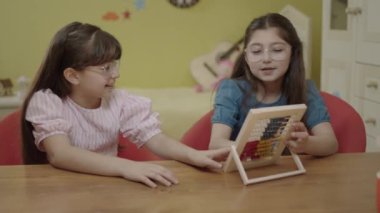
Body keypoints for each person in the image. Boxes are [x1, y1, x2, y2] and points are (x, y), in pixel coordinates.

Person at [21, 22, 229, 188]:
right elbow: (61, 154)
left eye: (115, 65)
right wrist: (126, 167)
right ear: (73, 75)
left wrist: (194, 155)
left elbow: (156, 139)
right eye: (105, 68)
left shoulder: (119, 101)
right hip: (63, 189)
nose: (116, 74)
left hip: (107, 187)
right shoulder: (48, 102)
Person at [209, 13, 338, 156]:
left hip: (289, 174)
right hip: (244, 174)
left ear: (293, 53)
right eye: (256, 51)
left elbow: (330, 143)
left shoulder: (306, 89)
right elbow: (216, 144)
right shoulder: (231, 89)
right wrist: (264, 147)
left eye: (277, 50)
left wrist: (306, 144)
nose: (266, 59)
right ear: (246, 56)